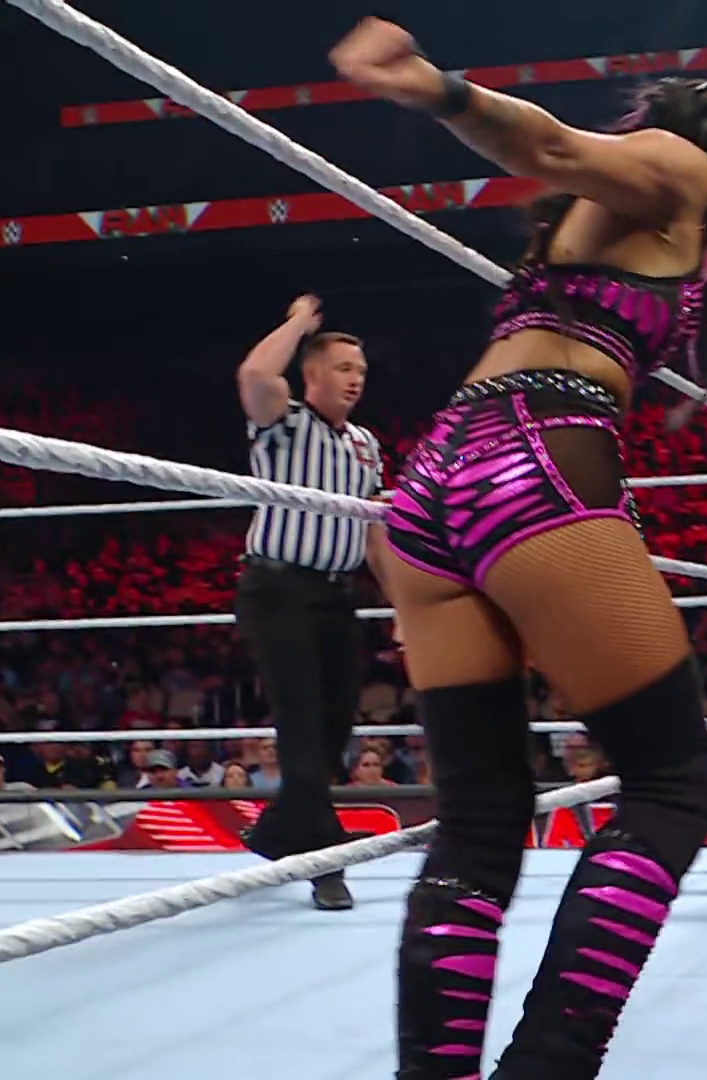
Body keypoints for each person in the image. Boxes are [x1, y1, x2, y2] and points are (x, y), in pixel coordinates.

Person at [328, 17, 707, 1080]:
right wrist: (436, 89)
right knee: (674, 779)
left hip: (435, 481)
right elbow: (547, 144)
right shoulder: (677, 169)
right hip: (531, 457)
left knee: (482, 817)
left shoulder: (640, 217)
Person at [234, 292, 382, 913]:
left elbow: (375, 530)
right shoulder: (286, 423)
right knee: (300, 723)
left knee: (336, 723)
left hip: (335, 594)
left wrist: (403, 609)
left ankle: (276, 833)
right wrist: (297, 323)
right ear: (312, 374)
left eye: (361, 370)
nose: (355, 379)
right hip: (278, 590)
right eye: (343, 368)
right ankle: (324, 859)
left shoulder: (366, 445)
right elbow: (254, 374)